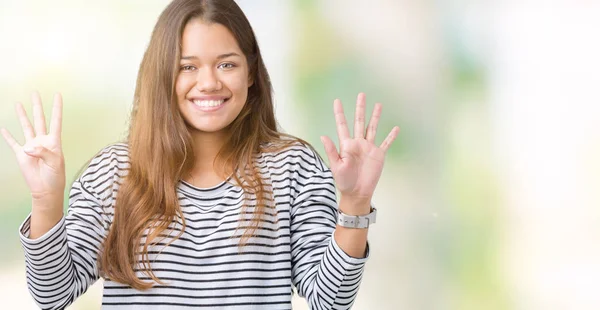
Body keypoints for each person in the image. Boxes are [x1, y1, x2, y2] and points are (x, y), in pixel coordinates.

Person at [0, 0, 399, 309]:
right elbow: (52, 294)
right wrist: (46, 201)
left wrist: (355, 204)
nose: (208, 83)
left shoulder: (291, 166)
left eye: (226, 64)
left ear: (251, 72)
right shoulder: (114, 172)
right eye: (187, 67)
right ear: (163, 76)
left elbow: (330, 299)